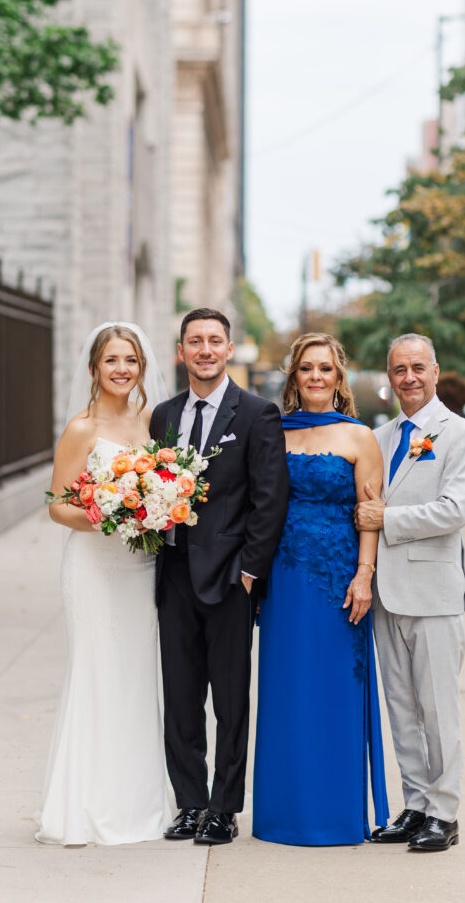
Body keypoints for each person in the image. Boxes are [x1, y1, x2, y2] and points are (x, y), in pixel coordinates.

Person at [149, 308, 288, 845]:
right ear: (181, 351)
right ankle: (189, 803)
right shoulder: (162, 416)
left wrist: (250, 573)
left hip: (232, 579)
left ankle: (224, 809)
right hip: (174, 575)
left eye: (214, 341)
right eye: (194, 341)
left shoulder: (256, 414)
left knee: (230, 700)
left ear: (229, 349)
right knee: (181, 697)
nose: (205, 350)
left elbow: (268, 501)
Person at [35, 322, 171, 846]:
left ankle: (138, 804)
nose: (122, 370)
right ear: (94, 367)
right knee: (95, 673)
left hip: (140, 568)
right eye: (112, 360)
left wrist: (153, 508)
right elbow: (57, 506)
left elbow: (165, 485)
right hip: (92, 565)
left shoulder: (153, 421)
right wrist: (107, 514)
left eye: (131, 361)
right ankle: (83, 805)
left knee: (135, 677)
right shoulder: (81, 429)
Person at [253, 332, 389, 845]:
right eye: (306, 368)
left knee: (334, 690)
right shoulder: (273, 432)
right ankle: (281, 814)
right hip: (284, 579)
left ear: (338, 377)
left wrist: (364, 574)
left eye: (325, 369)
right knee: (286, 691)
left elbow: (369, 514)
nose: (315, 376)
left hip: (338, 582)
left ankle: (333, 815)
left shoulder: (359, 438)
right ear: (294, 376)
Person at [355, 333, 465, 852]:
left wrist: (387, 518)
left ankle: (445, 811)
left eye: (416, 368)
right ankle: (415, 805)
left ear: (435, 372)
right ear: (389, 377)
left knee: (438, 710)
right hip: (387, 594)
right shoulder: (379, 436)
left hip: (433, 593)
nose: (407, 377)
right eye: (398, 369)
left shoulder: (461, 436)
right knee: (402, 708)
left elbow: (455, 510)